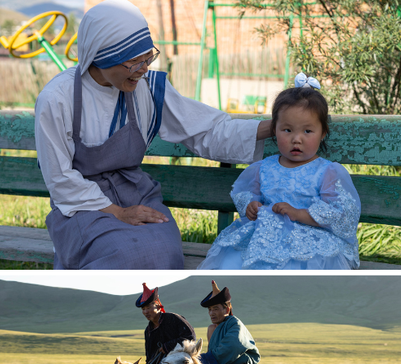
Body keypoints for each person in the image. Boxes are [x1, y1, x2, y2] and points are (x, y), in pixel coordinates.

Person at [34, 0, 270, 269]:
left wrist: (272, 127)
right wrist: (118, 213)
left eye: (148, 57)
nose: (144, 68)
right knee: (126, 257)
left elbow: (206, 130)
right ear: (102, 56)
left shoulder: (146, 88)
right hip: (82, 205)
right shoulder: (57, 99)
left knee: (165, 254)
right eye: (134, 61)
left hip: (136, 194)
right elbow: (59, 178)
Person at [197, 73, 361, 270]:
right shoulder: (264, 167)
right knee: (233, 261)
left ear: (323, 132)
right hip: (264, 239)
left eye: (307, 131)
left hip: (308, 240)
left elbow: (339, 216)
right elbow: (252, 195)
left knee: (301, 264)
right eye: (287, 130)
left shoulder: (326, 172)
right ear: (274, 129)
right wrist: (252, 205)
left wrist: (299, 213)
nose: (296, 139)